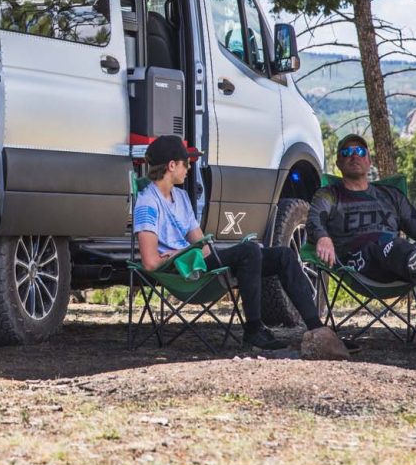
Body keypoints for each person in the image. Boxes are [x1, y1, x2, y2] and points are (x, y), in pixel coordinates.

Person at [134, 134, 348, 358]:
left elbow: (203, 247)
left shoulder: (180, 197)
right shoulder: (148, 202)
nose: (189, 168)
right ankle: (254, 330)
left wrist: (220, 256)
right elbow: (150, 262)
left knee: (283, 255)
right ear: (171, 165)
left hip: (197, 262)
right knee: (249, 251)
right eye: (186, 163)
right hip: (180, 271)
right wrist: (181, 253)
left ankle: (318, 330)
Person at [307, 133, 416, 352]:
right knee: (391, 244)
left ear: (369, 161)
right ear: (338, 163)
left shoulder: (389, 195)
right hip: (360, 262)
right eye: (347, 152)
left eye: (360, 151)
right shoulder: (329, 195)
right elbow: (314, 219)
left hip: (399, 262)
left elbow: (414, 223)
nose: (354, 156)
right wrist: (323, 237)